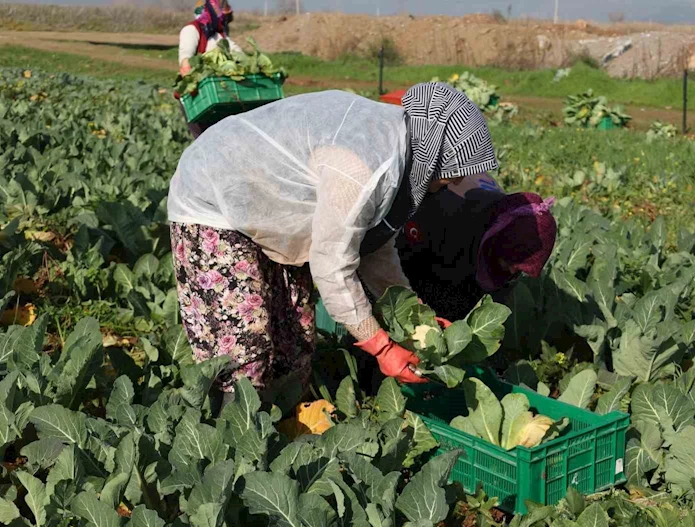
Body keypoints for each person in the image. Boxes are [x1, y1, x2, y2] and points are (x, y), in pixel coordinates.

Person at [167, 82, 500, 402]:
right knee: (245, 347)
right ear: (434, 154)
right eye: (450, 174)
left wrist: (415, 315)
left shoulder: (400, 149)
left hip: (269, 205)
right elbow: (331, 266)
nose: (449, 184)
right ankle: (232, 444)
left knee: (294, 340)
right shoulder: (365, 164)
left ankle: (275, 429)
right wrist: (381, 347)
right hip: (212, 194)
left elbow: (375, 250)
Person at [395, 174, 557, 322]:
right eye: (509, 262)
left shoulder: (508, 223)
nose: (513, 271)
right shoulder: (442, 216)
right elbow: (398, 265)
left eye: (518, 268)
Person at [177, 0, 240, 139]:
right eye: (221, 11)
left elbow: (238, 54)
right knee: (206, 140)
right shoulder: (191, 30)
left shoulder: (219, 35)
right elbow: (185, 63)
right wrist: (194, 85)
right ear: (211, 10)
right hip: (198, 98)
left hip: (219, 96)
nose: (224, 17)